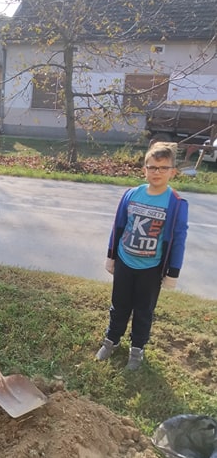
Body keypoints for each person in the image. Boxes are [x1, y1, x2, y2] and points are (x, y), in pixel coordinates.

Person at [95, 141, 188, 370]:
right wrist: (111, 256)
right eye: (152, 167)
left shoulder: (176, 203)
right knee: (119, 305)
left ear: (172, 172)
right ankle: (112, 340)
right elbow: (118, 227)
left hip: (151, 268)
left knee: (144, 311)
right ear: (144, 169)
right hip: (126, 262)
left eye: (163, 168)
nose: (157, 172)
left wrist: (173, 272)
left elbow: (178, 240)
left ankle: (137, 349)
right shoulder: (131, 194)